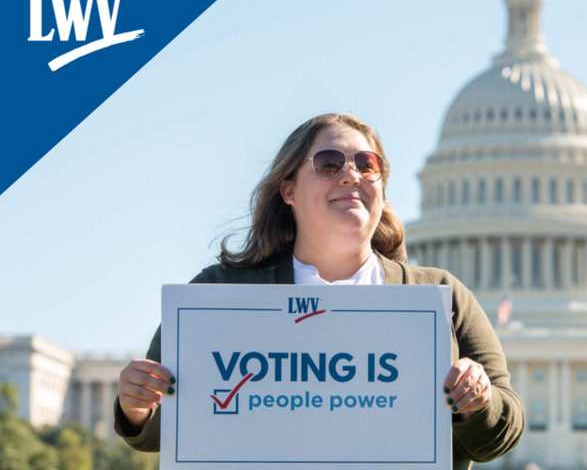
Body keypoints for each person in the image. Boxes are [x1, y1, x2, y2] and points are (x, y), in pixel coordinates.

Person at [114, 113, 525, 469]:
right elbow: (158, 433)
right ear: (288, 190)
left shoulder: (442, 295)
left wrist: (479, 402)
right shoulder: (218, 293)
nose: (351, 174)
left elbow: (499, 437)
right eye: (329, 164)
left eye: (368, 164)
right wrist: (136, 406)